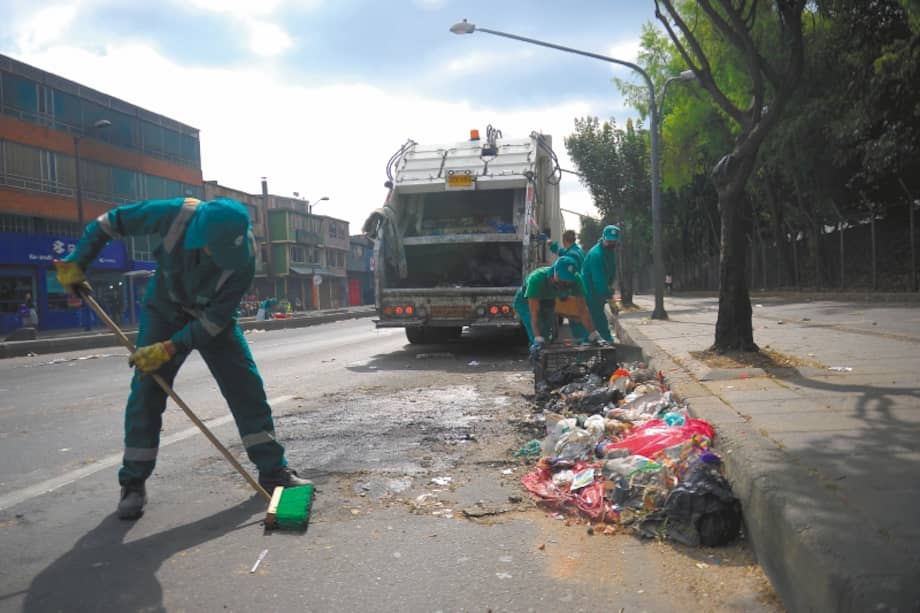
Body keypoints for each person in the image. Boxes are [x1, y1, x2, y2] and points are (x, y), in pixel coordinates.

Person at [55, 197, 310, 520]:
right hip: (164, 308)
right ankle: (133, 483)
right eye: (211, 251)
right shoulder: (175, 214)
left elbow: (215, 321)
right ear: (200, 236)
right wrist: (79, 260)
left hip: (211, 318)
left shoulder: (244, 258)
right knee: (147, 392)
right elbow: (110, 222)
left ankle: (273, 472)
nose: (215, 259)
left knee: (246, 388)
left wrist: (169, 348)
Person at [513, 255, 607, 360]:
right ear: (555, 272)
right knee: (539, 335)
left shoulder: (576, 280)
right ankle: (538, 366)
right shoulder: (537, 279)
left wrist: (593, 333)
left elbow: (583, 310)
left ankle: (547, 364)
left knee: (547, 333)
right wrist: (537, 338)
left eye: (568, 280)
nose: (565, 283)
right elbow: (534, 315)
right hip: (525, 301)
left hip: (548, 299)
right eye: (563, 279)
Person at [579, 224, 620, 343]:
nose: (612, 243)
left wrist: (610, 290)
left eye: (614, 241)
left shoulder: (609, 251)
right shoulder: (596, 255)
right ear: (603, 238)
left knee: (599, 322)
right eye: (609, 241)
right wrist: (610, 298)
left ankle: (608, 348)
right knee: (595, 324)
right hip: (590, 293)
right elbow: (599, 281)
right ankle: (607, 348)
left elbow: (611, 273)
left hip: (598, 294)